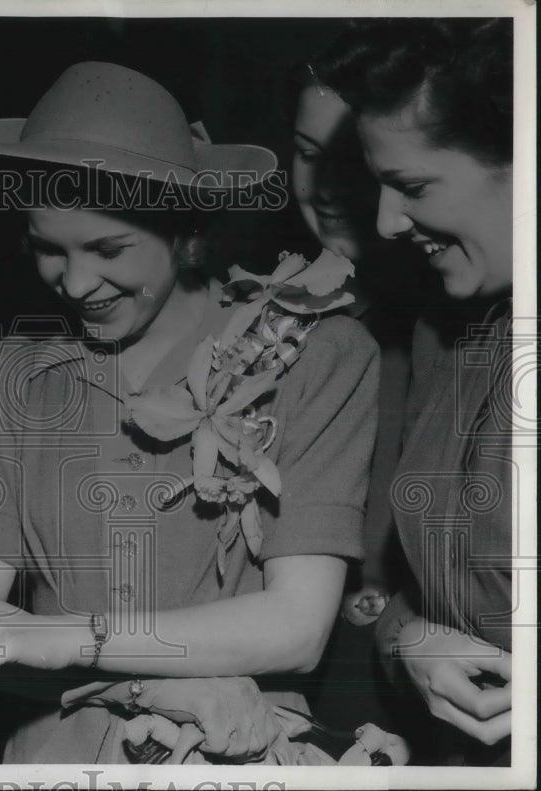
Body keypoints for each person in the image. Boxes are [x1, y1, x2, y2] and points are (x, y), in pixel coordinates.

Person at [0, 61, 380, 763]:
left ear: (186, 232)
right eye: (47, 250)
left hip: (235, 747)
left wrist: (68, 638)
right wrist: (142, 687)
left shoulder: (317, 353)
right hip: (53, 749)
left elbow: (296, 630)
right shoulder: (18, 370)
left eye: (109, 249)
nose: (77, 282)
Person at [317, 18, 515, 764]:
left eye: (411, 186)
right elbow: (421, 594)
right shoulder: (459, 335)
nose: (385, 221)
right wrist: (412, 638)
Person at [286, 53, 433, 737]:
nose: (323, 187)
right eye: (306, 154)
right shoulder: (265, 310)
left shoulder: (450, 328)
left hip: (394, 694)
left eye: (351, 161)